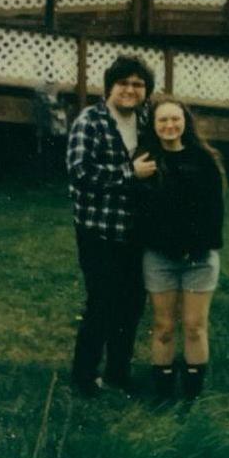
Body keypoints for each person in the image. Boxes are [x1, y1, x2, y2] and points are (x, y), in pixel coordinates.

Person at [66, 54, 157, 397]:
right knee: (101, 303)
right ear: (109, 87)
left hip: (136, 232)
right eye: (123, 83)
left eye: (138, 84)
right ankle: (84, 377)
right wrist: (129, 175)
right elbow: (80, 172)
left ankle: (119, 372)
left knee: (132, 305)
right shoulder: (89, 121)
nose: (130, 90)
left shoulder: (147, 119)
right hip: (98, 231)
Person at [137, 96, 225, 401]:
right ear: (154, 125)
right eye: (162, 120)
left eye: (175, 119)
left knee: (194, 326)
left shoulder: (204, 159)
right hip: (160, 258)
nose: (169, 125)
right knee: (163, 325)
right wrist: (134, 178)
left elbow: (214, 214)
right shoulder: (145, 161)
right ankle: (162, 393)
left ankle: (193, 394)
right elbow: (141, 213)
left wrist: (195, 246)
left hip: (199, 258)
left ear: (185, 122)